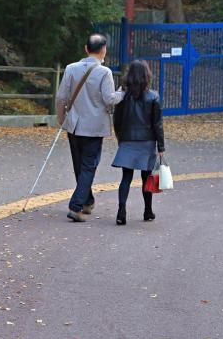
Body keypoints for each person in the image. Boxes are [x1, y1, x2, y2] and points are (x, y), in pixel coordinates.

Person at [56, 34, 125, 222]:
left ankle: (87, 201)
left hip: (74, 126)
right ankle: (75, 206)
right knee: (88, 166)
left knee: (79, 165)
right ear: (104, 50)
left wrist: (62, 119)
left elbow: (61, 97)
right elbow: (110, 99)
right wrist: (122, 92)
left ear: (86, 49)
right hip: (94, 127)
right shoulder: (104, 72)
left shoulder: (71, 68)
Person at [112, 60, 165, 225]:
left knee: (126, 177)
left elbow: (117, 120)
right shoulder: (153, 96)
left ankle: (121, 211)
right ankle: (147, 210)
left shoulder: (123, 96)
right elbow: (157, 124)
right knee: (146, 177)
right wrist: (161, 146)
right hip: (147, 141)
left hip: (127, 139)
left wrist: (120, 138)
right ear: (146, 75)